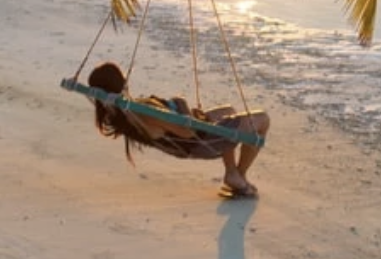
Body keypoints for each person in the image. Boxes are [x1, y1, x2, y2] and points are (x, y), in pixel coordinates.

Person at [87, 61, 270, 198]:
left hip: (187, 142)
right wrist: (181, 103)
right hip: (201, 142)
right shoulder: (143, 113)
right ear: (120, 82)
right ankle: (240, 175)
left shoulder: (119, 113)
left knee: (228, 111)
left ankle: (232, 173)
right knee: (262, 120)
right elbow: (187, 131)